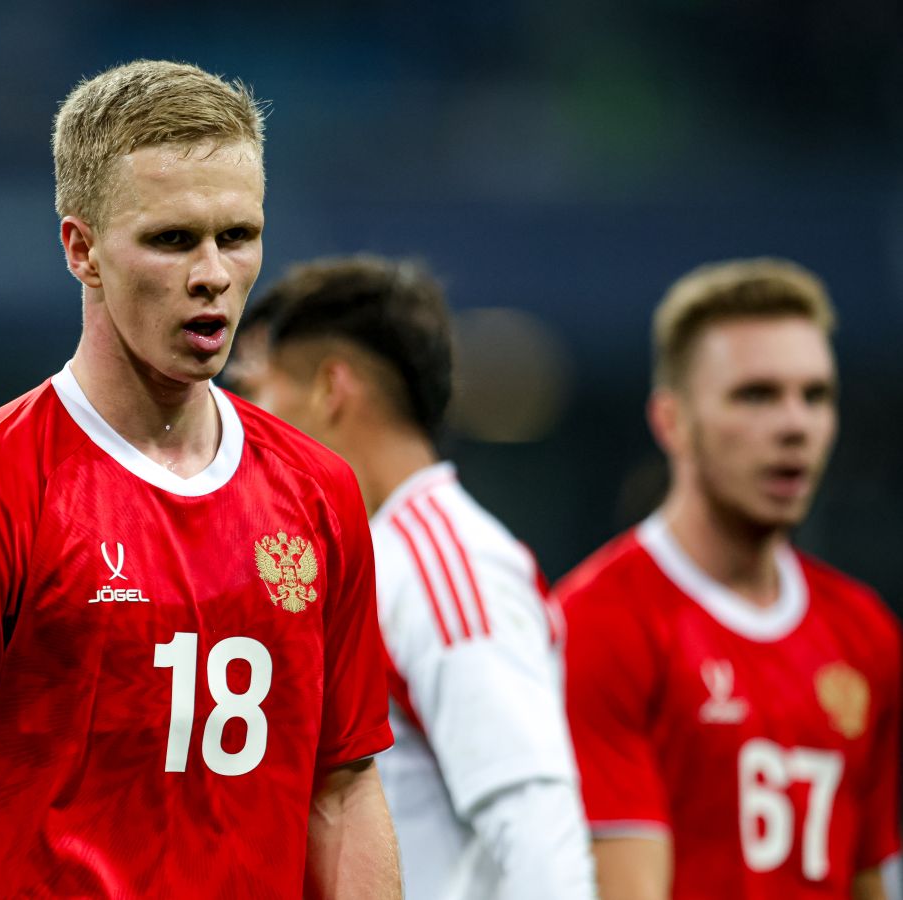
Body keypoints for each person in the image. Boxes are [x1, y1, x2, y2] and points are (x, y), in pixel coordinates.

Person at [0, 61, 400, 900]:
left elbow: (344, 789)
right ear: (83, 250)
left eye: (238, 235)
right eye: (173, 239)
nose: (213, 272)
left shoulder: (320, 493)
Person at [227, 255, 597, 899]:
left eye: (258, 392)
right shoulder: (364, 557)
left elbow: (539, 824)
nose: (245, 423)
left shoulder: (447, 564)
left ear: (329, 387)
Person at [556, 258, 901, 900]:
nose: (796, 425)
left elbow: (869, 877)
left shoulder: (865, 631)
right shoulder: (598, 622)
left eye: (816, 395)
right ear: (671, 422)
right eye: (757, 395)